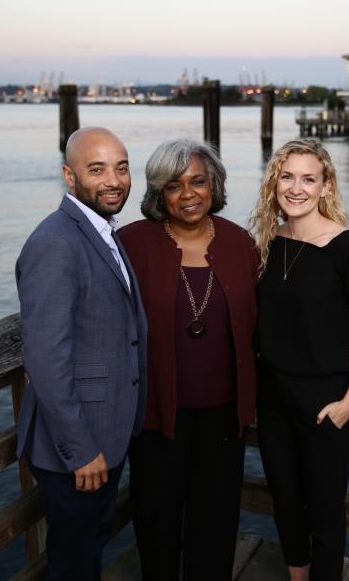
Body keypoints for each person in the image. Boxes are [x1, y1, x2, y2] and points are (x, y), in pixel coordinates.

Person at [249, 139, 349, 581]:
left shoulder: (345, 247)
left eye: (308, 179)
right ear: (275, 184)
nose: (296, 188)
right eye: (287, 177)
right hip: (272, 400)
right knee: (286, 501)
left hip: (324, 402)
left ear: (326, 186)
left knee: (325, 513)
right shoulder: (269, 242)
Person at [118, 139, 259, 580]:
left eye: (198, 181)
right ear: (159, 193)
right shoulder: (131, 244)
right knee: (157, 521)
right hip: (158, 414)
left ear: (214, 184)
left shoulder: (241, 244)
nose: (188, 194)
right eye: (174, 185)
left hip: (223, 414)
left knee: (215, 523)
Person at [15, 127, 147, 580]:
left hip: (105, 434)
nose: (114, 180)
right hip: (77, 450)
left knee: (89, 551)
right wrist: (80, 449)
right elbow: (46, 360)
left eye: (122, 167)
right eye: (97, 169)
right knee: (74, 564)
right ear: (70, 177)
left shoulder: (103, 231)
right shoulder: (56, 242)